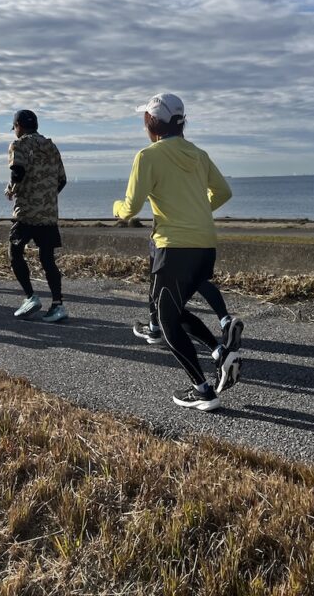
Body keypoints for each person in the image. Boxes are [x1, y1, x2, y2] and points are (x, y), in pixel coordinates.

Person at [112, 93, 240, 411]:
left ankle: (203, 391)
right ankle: (219, 351)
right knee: (173, 310)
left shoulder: (148, 156)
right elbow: (223, 191)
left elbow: (129, 209)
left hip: (175, 247)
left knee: (167, 321)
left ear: (152, 123)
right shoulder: (197, 154)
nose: (143, 124)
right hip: (204, 245)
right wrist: (195, 211)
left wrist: (116, 209)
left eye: (144, 118)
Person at [4, 109, 69, 323]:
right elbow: (62, 180)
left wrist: (12, 189)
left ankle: (31, 297)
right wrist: (46, 198)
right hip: (48, 213)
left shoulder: (19, 144)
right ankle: (57, 305)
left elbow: (18, 172)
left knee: (15, 252)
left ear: (18, 127)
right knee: (47, 259)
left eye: (14, 128)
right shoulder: (51, 146)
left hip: (26, 213)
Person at [133, 243, 243, 350]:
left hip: (172, 241)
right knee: (199, 280)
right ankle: (225, 321)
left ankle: (154, 329)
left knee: (168, 301)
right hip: (203, 238)